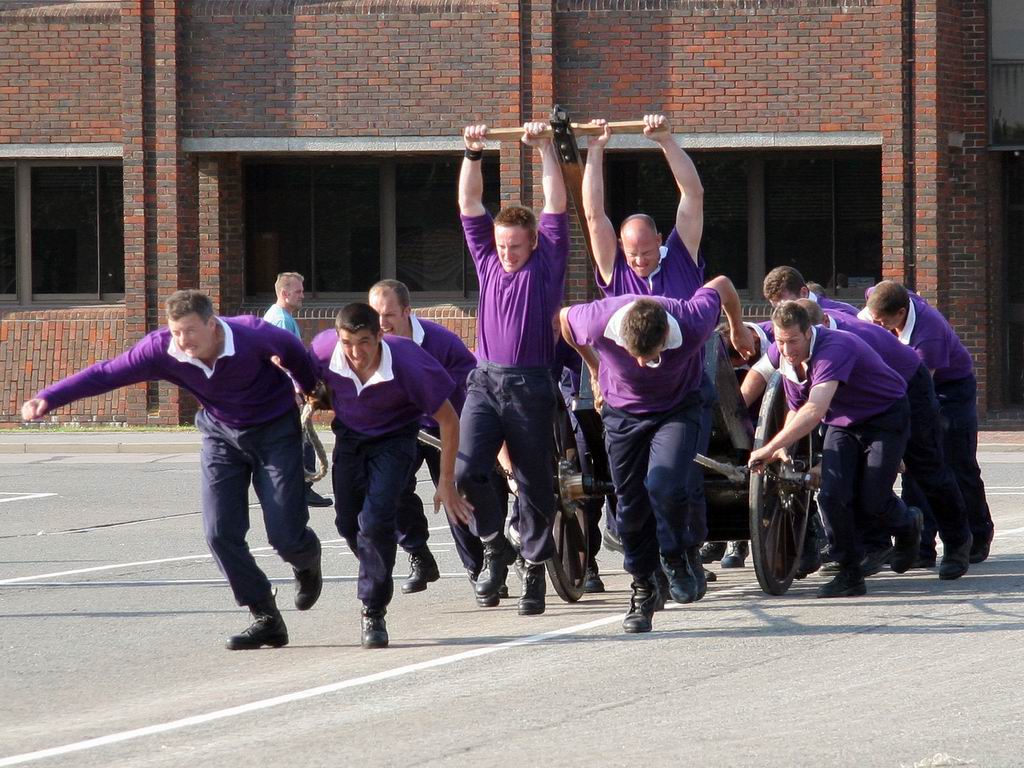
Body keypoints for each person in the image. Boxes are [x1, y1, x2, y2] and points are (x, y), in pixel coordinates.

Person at [21, 290, 324, 650]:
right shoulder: (160, 349)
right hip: (221, 436)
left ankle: (305, 560)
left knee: (285, 534)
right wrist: (50, 397)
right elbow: (106, 373)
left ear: (213, 325)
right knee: (219, 533)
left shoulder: (251, 334)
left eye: (190, 331)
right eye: (177, 332)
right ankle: (265, 616)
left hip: (274, 430)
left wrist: (309, 388)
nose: (183, 341)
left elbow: (294, 352)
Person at [583, 114, 753, 583]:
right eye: (631, 253)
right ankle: (648, 566)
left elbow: (692, 195)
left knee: (679, 477)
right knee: (633, 488)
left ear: (660, 240)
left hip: (685, 382)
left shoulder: (680, 254)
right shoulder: (614, 268)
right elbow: (594, 215)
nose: (639, 260)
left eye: (646, 250)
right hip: (628, 389)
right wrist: (595, 149)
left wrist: (664, 140)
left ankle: (686, 552)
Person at [560, 276, 752, 633]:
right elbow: (565, 319)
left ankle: (676, 555)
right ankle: (643, 588)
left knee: (666, 484)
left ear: (666, 335)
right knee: (629, 504)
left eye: (652, 356)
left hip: (678, 408)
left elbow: (724, 285)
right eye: (637, 356)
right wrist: (595, 367)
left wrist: (737, 328)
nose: (645, 363)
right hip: (623, 413)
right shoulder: (599, 319)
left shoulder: (691, 320)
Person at [310, 303, 472, 648]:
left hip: (395, 438)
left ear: (380, 336)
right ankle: (379, 560)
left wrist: (446, 482)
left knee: (376, 520)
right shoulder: (323, 350)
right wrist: (309, 391)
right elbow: (300, 375)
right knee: (347, 523)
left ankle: (373, 609)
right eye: (347, 343)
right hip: (350, 437)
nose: (356, 353)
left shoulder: (408, 362)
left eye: (364, 342)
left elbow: (449, 420)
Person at [455, 120, 567, 616]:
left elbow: (556, 203)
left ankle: (535, 570)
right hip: (484, 381)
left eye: (515, 246)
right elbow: (469, 203)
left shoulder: (547, 263)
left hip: (531, 385)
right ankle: (494, 544)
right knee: (466, 470)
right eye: (502, 245)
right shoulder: (487, 260)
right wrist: (473, 152)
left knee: (534, 481)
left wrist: (544, 148)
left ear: (534, 243)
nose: (507, 253)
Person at [747, 301, 923, 598]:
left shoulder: (834, 348)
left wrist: (769, 446)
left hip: (884, 415)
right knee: (831, 495)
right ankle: (850, 572)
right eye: (780, 341)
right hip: (843, 422)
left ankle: (908, 524)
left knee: (873, 498)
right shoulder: (782, 354)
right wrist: (783, 445)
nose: (786, 349)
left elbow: (814, 409)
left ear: (809, 332)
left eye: (793, 341)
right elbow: (796, 406)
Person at [861, 281, 994, 564]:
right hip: (902, 384)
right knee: (917, 468)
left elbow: (921, 394)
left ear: (901, 313)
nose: (878, 327)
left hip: (948, 389)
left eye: (883, 323)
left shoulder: (928, 335)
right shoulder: (879, 298)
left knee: (956, 463)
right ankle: (922, 546)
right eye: (874, 320)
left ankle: (977, 534)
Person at [367, 279, 486, 595]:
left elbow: (472, 385)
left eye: (389, 315)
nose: (381, 323)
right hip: (403, 428)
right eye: (375, 315)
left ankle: (479, 569)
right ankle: (419, 554)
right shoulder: (368, 344)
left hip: (447, 426)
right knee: (389, 489)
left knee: (454, 494)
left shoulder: (440, 342)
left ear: (407, 311)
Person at [263, 271, 332, 508]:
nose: (303, 295)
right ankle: (304, 486)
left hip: (281, 391)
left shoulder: (278, 316)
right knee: (303, 439)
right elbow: (282, 360)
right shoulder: (281, 320)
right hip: (288, 392)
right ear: (284, 293)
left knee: (299, 438)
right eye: (298, 291)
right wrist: (297, 390)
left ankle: (299, 490)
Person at [762, 265, 859, 316]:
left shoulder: (846, 315)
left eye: (787, 306)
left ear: (803, 293)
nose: (782, 313)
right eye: (776, 308)